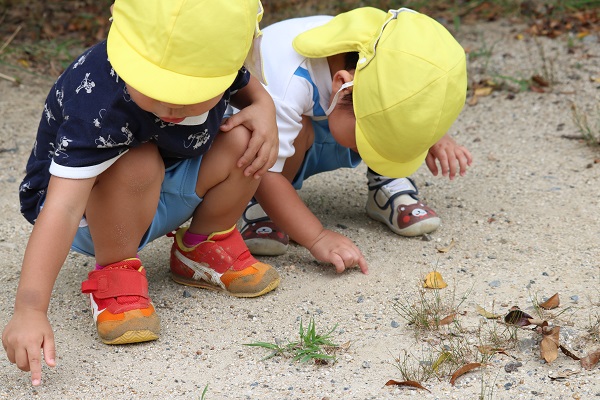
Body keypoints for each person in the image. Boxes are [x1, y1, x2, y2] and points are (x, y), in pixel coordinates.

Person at [2, 0, 280, 386]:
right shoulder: (97, 97)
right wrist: (30, 309)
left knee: (248, 137)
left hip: (164, 186)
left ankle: (202, 246)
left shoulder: (211, 52)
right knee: (138, 160)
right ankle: (116, 271)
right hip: (91, 211)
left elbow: (252, 91)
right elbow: (62, 207)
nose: (173, 105)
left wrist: (265, 110)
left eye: (192, 92)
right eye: (157, 86)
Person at [238, 7, 473, 273]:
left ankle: (386, 183)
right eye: (367, 142)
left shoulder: (377, 54)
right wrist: (317, 237)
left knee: (382, 124)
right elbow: (266, 173)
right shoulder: (285, 85)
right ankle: (261, 204)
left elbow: (414, 93)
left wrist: (431, 134)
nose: (370, 151)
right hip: (265, 143)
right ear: (341, 83)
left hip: (327, 116)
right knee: (272, 145)